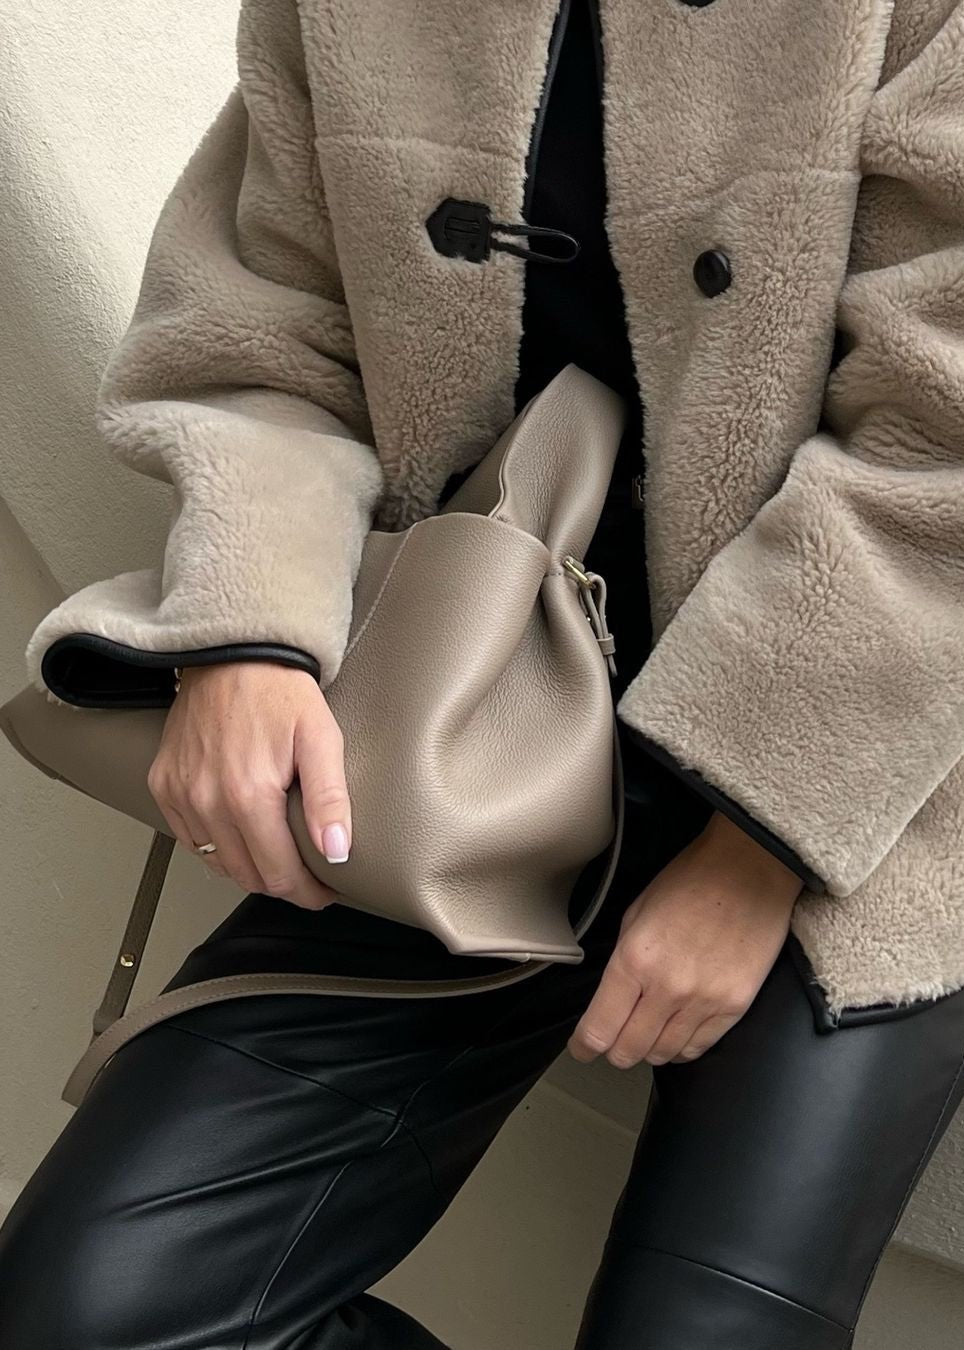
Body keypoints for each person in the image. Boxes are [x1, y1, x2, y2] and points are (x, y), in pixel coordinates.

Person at [2, 0, 963, 1345]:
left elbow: (941, 435)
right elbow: (259, 328)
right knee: (83, 1313)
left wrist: (756, 848)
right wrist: (248, 629)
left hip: (856, 766)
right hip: (462, 729)